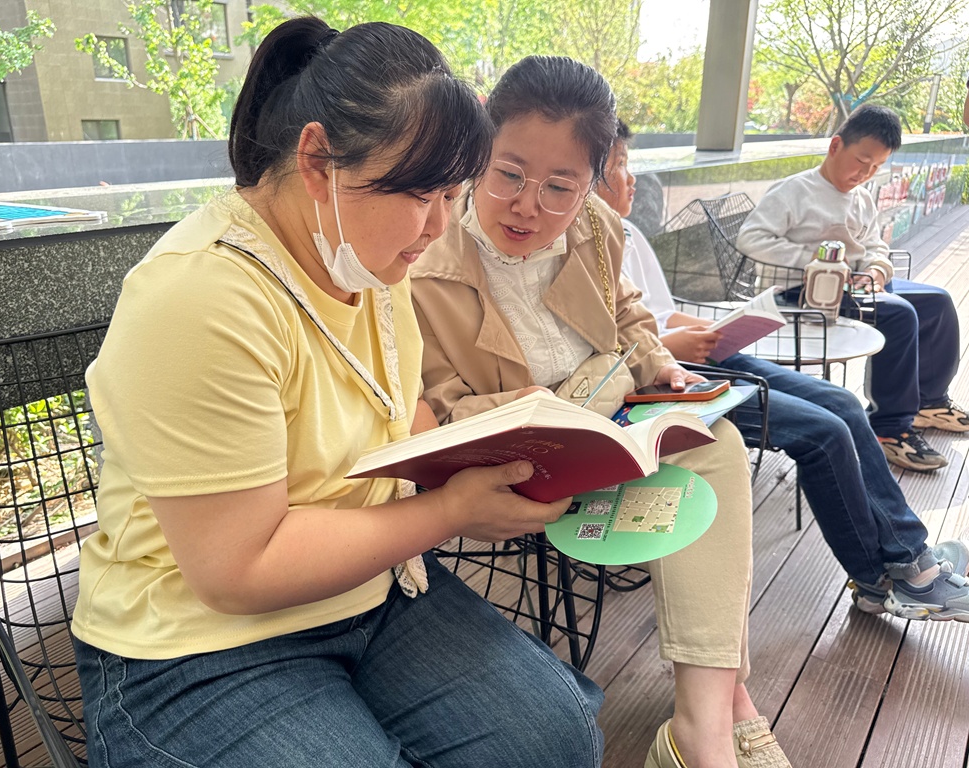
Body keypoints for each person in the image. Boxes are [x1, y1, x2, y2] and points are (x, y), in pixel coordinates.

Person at [70, 19, 605, 768]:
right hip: (196, 641)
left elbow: (399, 414)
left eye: (453, 194)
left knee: (554, 738)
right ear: (318, 159)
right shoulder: (202, 295)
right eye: (419, 193)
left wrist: (503, 463)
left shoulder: (368, 260)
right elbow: (237, 569)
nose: (437, 226)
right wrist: (452, 511)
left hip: (373, 588)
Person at [411, 56, 791, 768]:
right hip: (520, 462)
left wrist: (659, 364)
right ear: (479, 150)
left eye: (561, 186)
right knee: (706, 459)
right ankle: (727, 710)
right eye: (508, 174)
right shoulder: (425, 250)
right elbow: (435, 409)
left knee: (715, 442)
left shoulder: (594, 226)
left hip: (608, 426)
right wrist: (572, 402)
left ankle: (705, 721)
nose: (528, 206)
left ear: (595, 179)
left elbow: (627, 314)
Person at [597, 118, 969, 626]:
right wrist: (672, 346)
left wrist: (711, 327)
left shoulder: (628, 233)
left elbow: (657, 314)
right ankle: (888, 576)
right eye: (620, 165)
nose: (633, 178)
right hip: (669, 378)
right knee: (825, 431)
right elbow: (619, 344)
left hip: (700, 355)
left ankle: (909, 560)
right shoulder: (587, 245)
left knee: (842, 403)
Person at [736, 104, 967, 473]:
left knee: (936, 302)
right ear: (835, 146)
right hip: (801, 294)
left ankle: (929, 401)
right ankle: (889, 429)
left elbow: (874, 245)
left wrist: (877, 269)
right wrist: (819, 263)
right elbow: (751, 238)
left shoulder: (861, 197)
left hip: (855, 286)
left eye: (876, 167)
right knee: (899, 315)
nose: (866, 173)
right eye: (862, 161)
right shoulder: (795, 191)